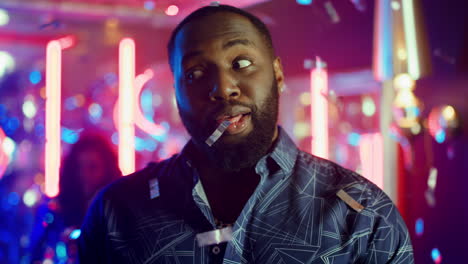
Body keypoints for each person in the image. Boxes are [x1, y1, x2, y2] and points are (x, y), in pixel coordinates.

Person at [79, 4, 414, 263]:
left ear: (278, 75)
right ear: (176, 93)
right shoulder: (116, 213)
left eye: (241, 64)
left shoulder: (363, 215)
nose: (223, 89)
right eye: (195, 73)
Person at [29, 133, 121, 263]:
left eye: (92, 167)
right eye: (79, 167)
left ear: (107, 169)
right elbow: (37, 253)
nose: (84, 174)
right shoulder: (55, 211)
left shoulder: (117, 212)